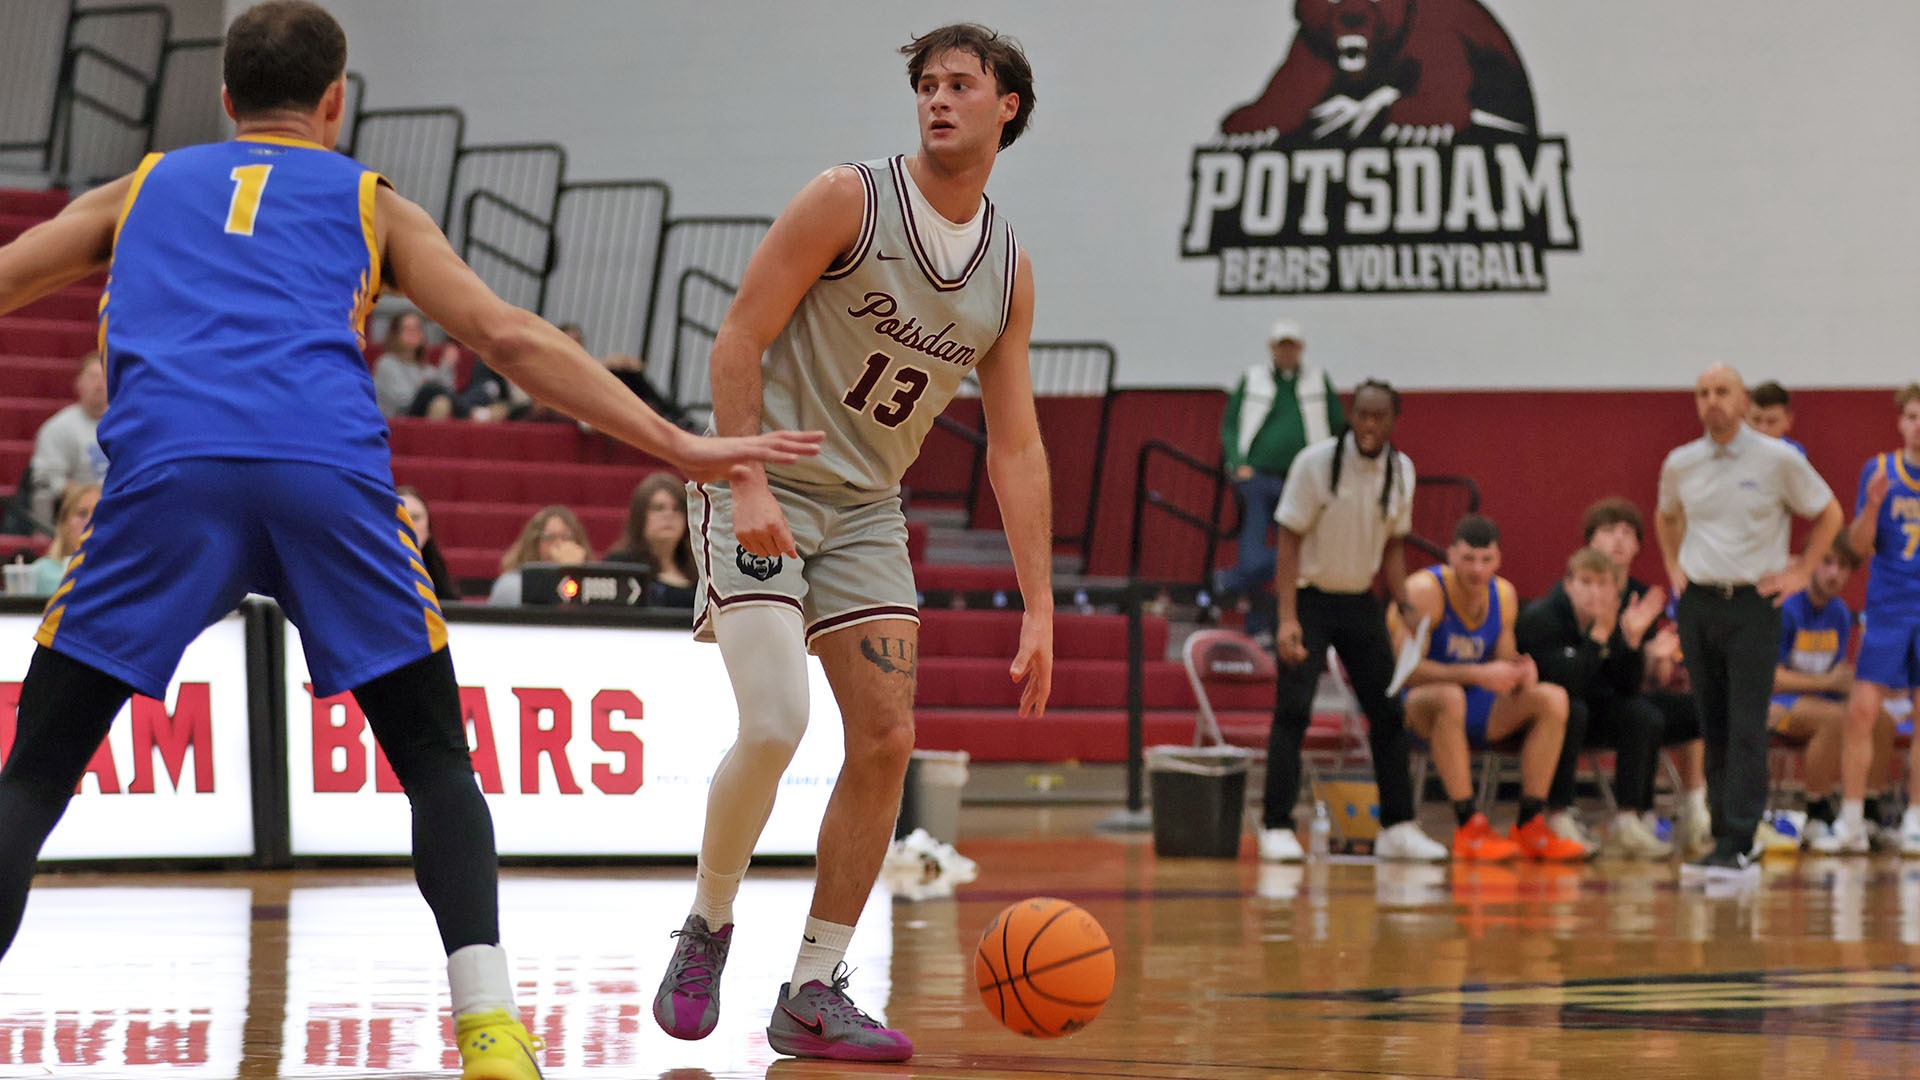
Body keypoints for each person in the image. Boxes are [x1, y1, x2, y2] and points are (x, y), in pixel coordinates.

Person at [0, 7, 820, 1080]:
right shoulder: (369, 201)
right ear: (336, 101)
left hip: (167, 481)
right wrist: (677, 440)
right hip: (325, 484)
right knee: (435, 758)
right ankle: (488, 1029)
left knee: (34, 777)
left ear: (225, 98)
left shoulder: (141, 187)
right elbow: (509, 338)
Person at [652, 24, 1052, 1063]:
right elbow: (737, 333)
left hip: (869, 505)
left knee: (885, 738)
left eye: (962, 83)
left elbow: (1015, 445)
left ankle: (813, 988)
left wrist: (1040, 605)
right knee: (779, 721)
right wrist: (740, 475)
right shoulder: (849, 197)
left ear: (1009, 105)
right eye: (926, 84)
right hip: (766, 477)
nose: (938, 99)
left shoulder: (1007, 270)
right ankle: (707, 925)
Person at [1656, 363, 1841, 886]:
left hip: (1754, 605)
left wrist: (1802, 573)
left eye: (1722, 391)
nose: (1712, 400)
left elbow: (1829, 513)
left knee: (1745, 724)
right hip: (1698, 603)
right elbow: (1665, 515)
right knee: (1710, 720)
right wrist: (1674, 569)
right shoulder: (1681, 463)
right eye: (1702, 393)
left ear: (1741, 401)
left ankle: (1740, 842)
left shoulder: (1778, 459)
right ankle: (1722, 838)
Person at [1262, 378, 1444, 864]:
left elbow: (1393, 545)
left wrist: (1404, 602)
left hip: (1360, 600)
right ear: (1351, 415)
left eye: (1377, 416)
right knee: (1294, 710)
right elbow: (1288, 540)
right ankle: (1276, 826)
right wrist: (1285, 618)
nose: (1367, 424)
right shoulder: (1315, 464)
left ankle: (1398, 826)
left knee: (1387, 713)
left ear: (1392, 420)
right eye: (1360, 414)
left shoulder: (1402, 471)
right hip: (1308, 599)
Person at [1397, 515, 1584, 862]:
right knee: (1450, 696)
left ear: (1498, 559)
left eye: (1486, 560)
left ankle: (1530, 823)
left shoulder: (1504, 594)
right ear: (1450, 556)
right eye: (1468, 559)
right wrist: (1474, 674)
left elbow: (1504, 660)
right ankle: (1468, 825)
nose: (1477, 569)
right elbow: (1403, 672)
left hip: (1476, 706)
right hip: (1419, 704)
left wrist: (1521, 672)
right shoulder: (1424, 592)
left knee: (1552, 698)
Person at [1515, 546, 1671, 858]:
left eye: (1603, 585)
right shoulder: (1542, 617)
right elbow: (1565, 683)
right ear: (1568, 583)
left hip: (1592, 713)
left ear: (1617, 591)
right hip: (1542, 719)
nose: (1594, 592)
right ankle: (1558, 813)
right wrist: (1598, 637)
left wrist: (1632, 642)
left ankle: (1628, 819)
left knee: (1642, 714)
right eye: (1585, 582)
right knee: (1572, 710)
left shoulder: (1618, 619)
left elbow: (1628, 687)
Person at [1581, 496, 1710, 852]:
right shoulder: (1580, 590)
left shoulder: (1642, 595)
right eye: (1609, 531)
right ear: (1590, 540)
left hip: (1628, 696)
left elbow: (1645, 680)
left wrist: (1657, 661)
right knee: (1641, 713)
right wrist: (1629, 642)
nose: (1619, 539)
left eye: (1627, 532)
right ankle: (1630, 817)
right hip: (1587, 700)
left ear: (1639, 544)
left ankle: (1696, 808)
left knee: (1698, 707)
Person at [1829, 386, 1920, 856]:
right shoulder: (1880, 470)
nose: (1918, 424)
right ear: (1900, 422)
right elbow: (1858, 549)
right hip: (1888, 608)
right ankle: (1850, 820)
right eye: (1911, 415)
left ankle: (1916, 821)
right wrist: (1870, 506)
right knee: (1863, 709)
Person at [1218, 319, 1345, 644]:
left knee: (1304, 556)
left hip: (1304, 480)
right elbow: (1231, 424)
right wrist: (1237, 462)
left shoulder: (1318, 380)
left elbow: (1338, 425)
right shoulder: (1253, 379)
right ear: (1271, 348)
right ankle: (1257, 622)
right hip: (1258, 479)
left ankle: (1227, 584)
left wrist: (1332, 469)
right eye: (1281, 345)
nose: (1286, 352)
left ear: (1301, 349)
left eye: (1292, 345)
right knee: (1253, 556)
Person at [1769, 541, 1888, 852]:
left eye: (1843, 566)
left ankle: (1869, 809)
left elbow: (1835, 675)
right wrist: (1827, 681)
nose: (1834, 573)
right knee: (1835, 718)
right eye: (1827, 562)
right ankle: (1815, 811)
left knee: (1879, 716)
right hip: (1774, 704)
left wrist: (1849, 683)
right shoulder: (1787, 607)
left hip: (1818, 700)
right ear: (1812, 565)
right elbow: (1772, 679)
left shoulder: (1838, 613)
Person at [24, 350, 110, 534]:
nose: (99, 384)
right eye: (93, 377)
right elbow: (48, 481)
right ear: (78, 383)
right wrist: (90, 497)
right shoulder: (59, 427)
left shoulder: (128, 425)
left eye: (104, 377)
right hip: (75, 515)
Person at [604, 472, 698, 609]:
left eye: (677, 509)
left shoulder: (699, 570)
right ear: (640, 517)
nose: (669, 515)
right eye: (659, 508)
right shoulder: (619, 566)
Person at [488, 505, 591, 606]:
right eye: (550, 538)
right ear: (534, 543)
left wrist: (575, 572)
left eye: (566, 537)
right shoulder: (511, 584)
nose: (559, 545)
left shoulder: (592, 585)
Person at [372, 310, 462, 418]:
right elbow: (402, 400)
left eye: (417, 328)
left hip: (421, 418)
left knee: (441, 402)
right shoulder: (386, 363)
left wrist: (447, 366)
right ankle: (469, 413)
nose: (413, 332)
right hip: (397, 418)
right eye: (407, 329)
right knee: (430, 388)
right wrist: (425, 386)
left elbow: (448, 392)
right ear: (395, 334)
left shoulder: (427, 369)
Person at [25, 481, 100, 597]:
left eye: (98, 514)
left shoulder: (119, 571)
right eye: (82, 514)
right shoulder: (40, 572)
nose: (90, 521)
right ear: (63, 524)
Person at [397, 484, 459, 602]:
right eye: (401, 518)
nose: (409, 525)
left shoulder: (443, 585)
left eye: (415, 517)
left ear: (428, 529)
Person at [1747, 380, 1805, 456]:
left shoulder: (1794, 454)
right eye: (1756, 420)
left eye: (1771, 422)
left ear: (1788, 421)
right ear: (1744, 418)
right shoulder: (1730, 450)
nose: (1762, 429)